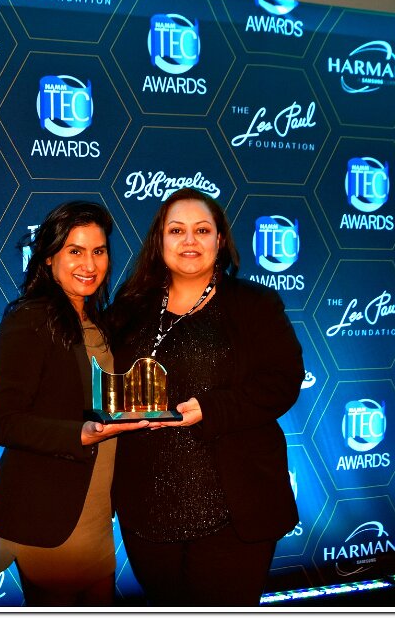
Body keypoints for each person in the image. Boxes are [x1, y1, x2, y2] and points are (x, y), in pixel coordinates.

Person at [108, 187, 303, 607]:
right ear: (159, 240)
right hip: (147, 511)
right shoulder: (130, 305)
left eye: (202, 230)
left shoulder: (254, 304)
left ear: (220, 239)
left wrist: (212, 409)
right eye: (176, 230)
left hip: (232, 509)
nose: (189, 240)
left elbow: (283, 381)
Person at [0, 201, 149, 606]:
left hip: (95, 509)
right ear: (49, 257)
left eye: (99, 251)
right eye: (75, 251)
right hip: (48, 513)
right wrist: (80, 434)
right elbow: (6, 423)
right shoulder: (30, 320)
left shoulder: (98, 322)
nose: (89, 264)